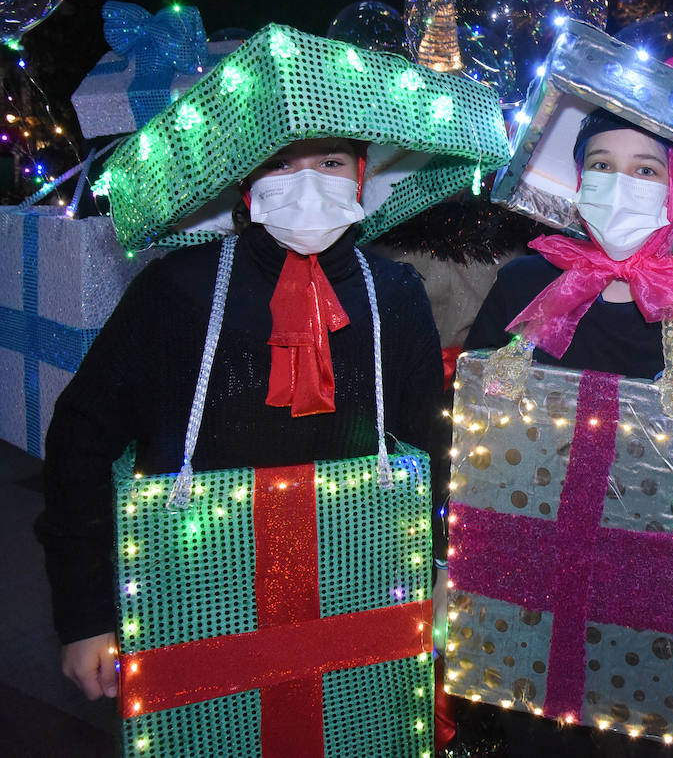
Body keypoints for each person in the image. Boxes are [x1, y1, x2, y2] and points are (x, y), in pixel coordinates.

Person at [35, 137, 448, 700]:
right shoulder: (178, 288)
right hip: (195, 593)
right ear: (245, 182)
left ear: (360, 174)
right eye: (278, 162)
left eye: (329, 162)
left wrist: (442, 567)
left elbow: (431, 447)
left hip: (359, 589)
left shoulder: (397, 294)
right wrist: (84, 614)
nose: (306, 184)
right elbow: (81, 438)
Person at [464, 108, 673, 752]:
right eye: (602, 166)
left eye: (645, 169)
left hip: (664, 639)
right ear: (577, 178)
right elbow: (471, 453)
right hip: (525, 621)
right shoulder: (523, 287)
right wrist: (458, 574)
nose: (622, 184)